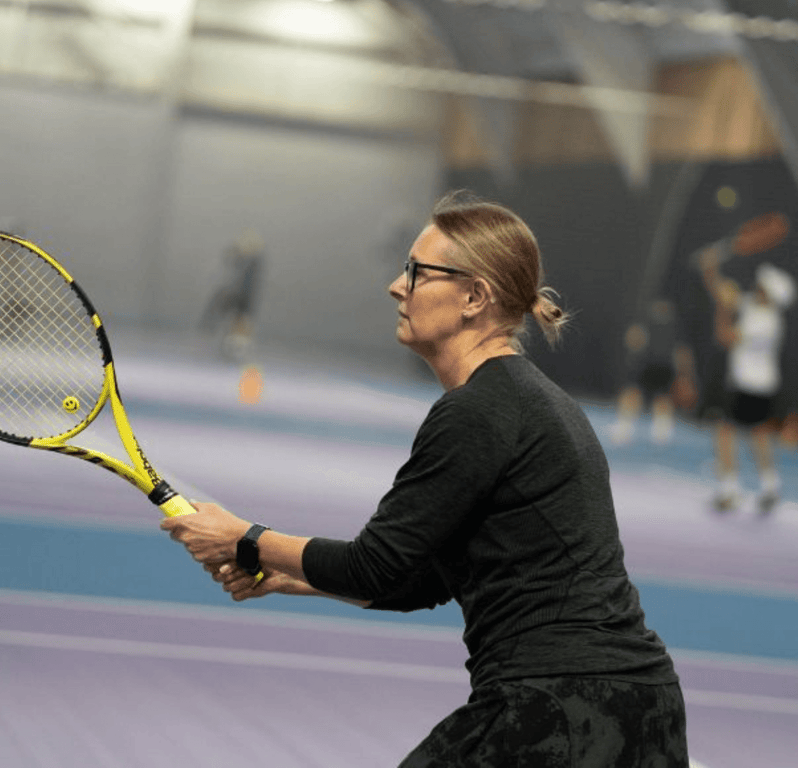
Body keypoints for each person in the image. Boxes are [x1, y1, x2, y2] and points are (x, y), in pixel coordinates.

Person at [163, 190, 688, 767]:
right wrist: (289, 578)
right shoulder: (525, 402)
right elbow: (422, 581)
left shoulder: (479, 410)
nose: (397, 285)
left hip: (559, 706)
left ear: (473, 296)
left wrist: (244, 536)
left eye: (416, 271)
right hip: (638, 712)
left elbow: (373, 564)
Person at [697, 247, 794, 514]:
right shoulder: (756, 306)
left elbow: (724, 337)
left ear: (769, 294)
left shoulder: (763, 321)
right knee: (759, 434)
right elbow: (723, 291)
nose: (757, 286)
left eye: (762, 286)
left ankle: (729, 491)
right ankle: (770, 487)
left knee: (725, 431)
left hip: (747, 385)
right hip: (762, 386)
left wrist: (723, 311)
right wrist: (710, 269)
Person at [610, 298, 695, 446]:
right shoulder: (663, 322)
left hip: (653, 363)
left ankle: (653, 430)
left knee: (654, 395)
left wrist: (685, 375)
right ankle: (648, 430)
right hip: (654, 363)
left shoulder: (657, 321)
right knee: (643, 394)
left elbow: (633, 338)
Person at [198, 227, 265, 361]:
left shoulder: (252, 263)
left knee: (241, 322)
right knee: (233, 319)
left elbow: (247, 283)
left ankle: (236, 347)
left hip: (244, 296)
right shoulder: (241, 261)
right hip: (237, 294)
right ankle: (228, 344)